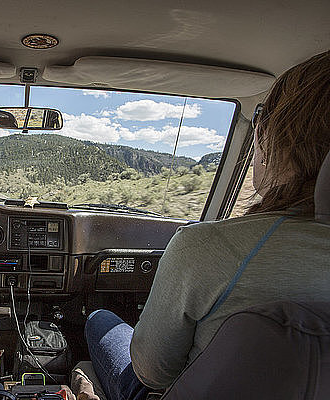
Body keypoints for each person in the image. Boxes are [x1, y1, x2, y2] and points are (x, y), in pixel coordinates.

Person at [78, 49, 330, 400]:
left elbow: (151, 372)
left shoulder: (209, 247)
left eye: (259, 124)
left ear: (276, 141)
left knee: (99, 319)